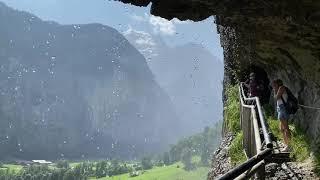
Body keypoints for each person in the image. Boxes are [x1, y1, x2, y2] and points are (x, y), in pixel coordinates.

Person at [272, 79, 291, 151]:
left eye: (274, 84)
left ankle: (289, 146)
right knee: (281, 128)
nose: (273, 86)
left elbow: (276, 97)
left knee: (286, 128)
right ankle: (286, 143)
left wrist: (275, 89)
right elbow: (276, 98)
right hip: (280, 108)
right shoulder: (279, 88)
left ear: (278, 84)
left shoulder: (281, 88)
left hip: (283, 108)